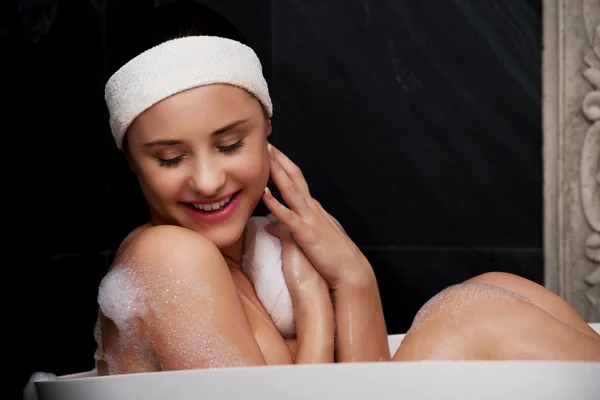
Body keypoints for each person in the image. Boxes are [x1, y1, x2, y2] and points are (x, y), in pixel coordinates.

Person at [95, 1, 600, 376]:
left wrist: (353, 276)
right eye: (170, 157)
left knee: (502, 287)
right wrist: (315, 307)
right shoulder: (166, 256)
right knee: (474, 320)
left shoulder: (262, 254)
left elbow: (366, 379)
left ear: (267, 126)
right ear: (131, 160)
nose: (206, 180)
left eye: (229, 145)